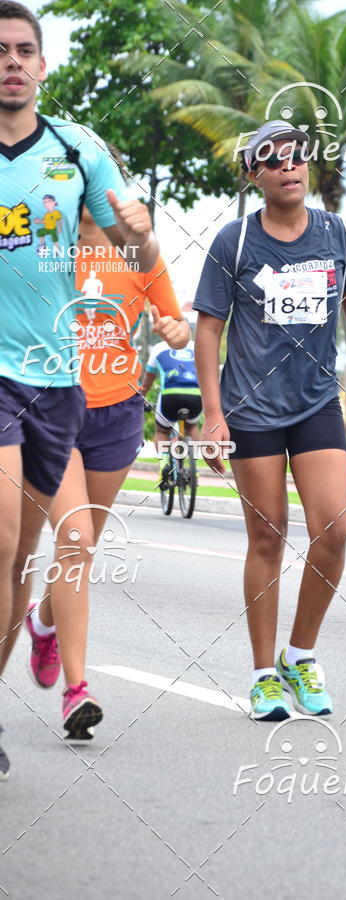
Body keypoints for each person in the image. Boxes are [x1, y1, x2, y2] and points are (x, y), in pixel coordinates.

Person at [0, 1, 159, 776]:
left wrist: (140, 232)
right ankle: (63, 688)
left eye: (24, 50)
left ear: (43, 63)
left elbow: (136, 251)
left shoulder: (77, 149)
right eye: (0, 51)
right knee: (7, 540)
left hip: (61, 383)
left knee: (24, 558)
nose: (12, 62)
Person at [194, 120, 346, 721]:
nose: (289, 166)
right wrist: (213, 414)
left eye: (298, 156)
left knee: (333, 530)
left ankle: (299, 656)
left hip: (316, 402)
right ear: (255, 175)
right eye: (273, 159)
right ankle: (262, 676)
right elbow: (208, 328)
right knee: (268, 536)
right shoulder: (234, 242)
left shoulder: (338, 234)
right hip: (251, 409)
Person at [23, 195, 188, 741]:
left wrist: (175, 333)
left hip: (117, 415)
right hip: (53, 408)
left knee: (81, 547)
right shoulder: (41, 253)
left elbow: (175, 321)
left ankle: (43, 622)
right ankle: (77, 691)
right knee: (75, 536)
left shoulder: (139, 253)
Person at [141, 338, 202, 483]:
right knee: (191, 426)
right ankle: (193, 468)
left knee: (162, 431)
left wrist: (140, 400)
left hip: (170, 396)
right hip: (195, 395)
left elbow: (148, 380)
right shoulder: (197, 346)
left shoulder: (158, 348)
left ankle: (164, 465)